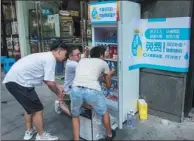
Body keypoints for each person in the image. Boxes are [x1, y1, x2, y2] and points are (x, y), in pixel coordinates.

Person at [2, 41, 68, 140]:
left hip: (13, 81)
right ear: (59, 51)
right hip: (20, 83)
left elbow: (47, 79)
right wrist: (59, 95)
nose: (65, 58)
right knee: (37, 109)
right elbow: (50, 83)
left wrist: (58, 86)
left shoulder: (45, 56)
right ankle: (41, 135)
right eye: (65, 54)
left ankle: (29, 130)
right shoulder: (51, 59)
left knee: (29, 107)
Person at [70, 46, 116, 140]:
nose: (106, 54)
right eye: (105, 53)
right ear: (101, 55)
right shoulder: (103, 63)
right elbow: (108, 85)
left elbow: (88, 76)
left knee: (75, 116)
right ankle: (109, 134)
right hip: (92, 91)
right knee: (104, 112)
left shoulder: (83, 60)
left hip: (75, 89)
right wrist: (109, 74)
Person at [54, 45, 89, 116]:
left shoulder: (73, 59)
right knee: (74, 115)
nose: (79, 56)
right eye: (77, 55)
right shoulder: (72, 64)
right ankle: (60, 105)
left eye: (79, 53)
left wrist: (86, 52)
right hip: (69, 93)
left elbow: (83, 56)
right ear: (70, 56)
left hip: (75, 90)